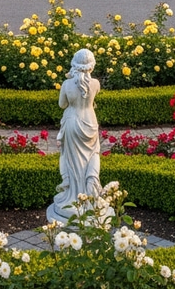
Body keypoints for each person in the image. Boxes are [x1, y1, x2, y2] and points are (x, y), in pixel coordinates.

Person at [50, 49, 101, 220]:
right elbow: (92, 100)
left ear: (74, 64)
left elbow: (62, 104)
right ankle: (90, 191)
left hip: (72, 121)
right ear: (91, 66)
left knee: (71, 160)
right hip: (90, 122)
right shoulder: (95, 84)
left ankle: (73, 195)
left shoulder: (67, 84)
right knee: (92, 156)